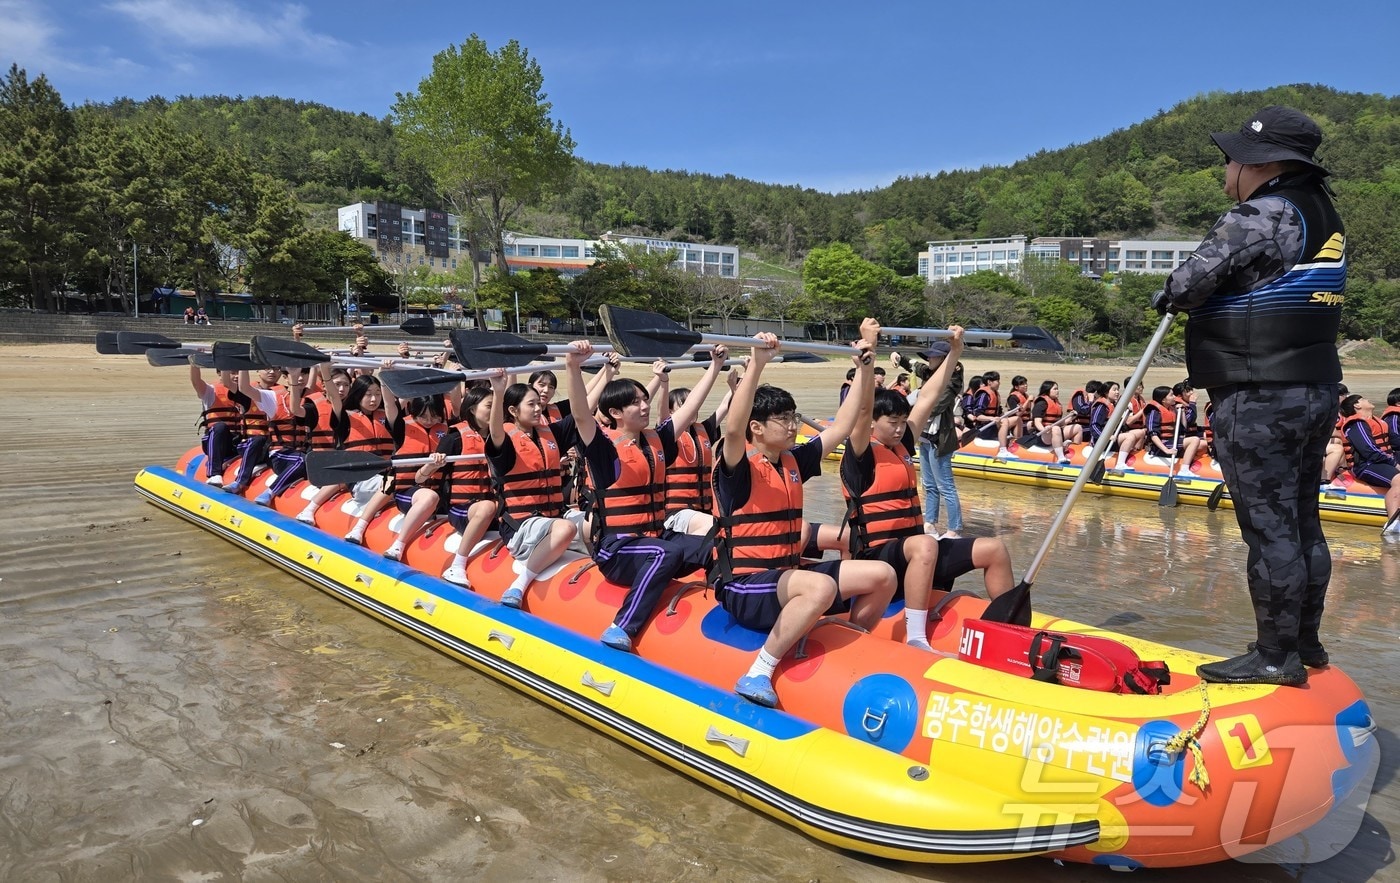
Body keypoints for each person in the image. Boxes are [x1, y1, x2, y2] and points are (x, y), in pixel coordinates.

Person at [1154, 105, 1345, 686]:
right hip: (1315, 386)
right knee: (1303, 521)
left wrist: (1171, 296)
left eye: (1234, 157)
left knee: (1268, 529)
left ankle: (1273, 656)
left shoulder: (1259, 213)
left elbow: (1184, 284)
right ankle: (1304, 642)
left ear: (1262, 163)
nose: (1228, 166)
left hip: (1260, 390)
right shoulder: (1324, 215)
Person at [711, 323, 896, 707]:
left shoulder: (795, 460)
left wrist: (865, 366)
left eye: (795, 417)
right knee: (821, 587)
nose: (794, 426)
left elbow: (844, 424)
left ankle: (840, 641)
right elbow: (732, 428)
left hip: (786, 579)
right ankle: (758, 671)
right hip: (746, 586)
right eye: (784, 420)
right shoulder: (737, 466)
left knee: (883, 575)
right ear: (757, 428)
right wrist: (758, 365)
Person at [838, 326, 1013, 652]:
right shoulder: (860, 452)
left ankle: (1010, 631)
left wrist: (956, 353)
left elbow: (930, 395)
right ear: (875, 423)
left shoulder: (902, 442)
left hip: (914, 552)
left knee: (995, 550)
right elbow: (862, 411)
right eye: (893, 422)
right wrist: (868, 356)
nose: (901, 428)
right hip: (879, 557)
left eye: (904, 421)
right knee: (926, 544)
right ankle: (917, 637)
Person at [572, 344, 727, 651]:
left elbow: (689, 408)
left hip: (656, 536)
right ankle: (621, 626)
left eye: (645, 400)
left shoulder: (656, 441)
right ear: (615, 413)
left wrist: (715, 367)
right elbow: (579, 414)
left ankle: (722, 610)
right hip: (618, 551)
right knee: (664, 553)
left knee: (719, 540)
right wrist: (572, 367)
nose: (644, 406)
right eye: (636, 403)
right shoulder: (604, 449)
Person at [914, 341, 965, 539]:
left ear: (944, 360)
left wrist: (914, 412)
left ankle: (954, 529)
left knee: (946, 486)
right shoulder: (930, 375)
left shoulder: (951, 381)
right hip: (925, 438)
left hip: (940, 439)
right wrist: (898, 357)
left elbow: (936, 407)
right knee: (928, 484)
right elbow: (916, 367)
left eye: (934, 357)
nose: (929, 360)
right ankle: (930, 524)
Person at [1338, 395, 1400, 530]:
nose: (1368, 399)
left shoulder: (1376, 421)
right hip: (1365, 465)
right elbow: (1369, 451)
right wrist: (1394, 463)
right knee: (1399, 480)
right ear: (1357, 406)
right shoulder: (1356, 424)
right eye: (1363, 399)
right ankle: (1393, 525)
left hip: (1382, 461)